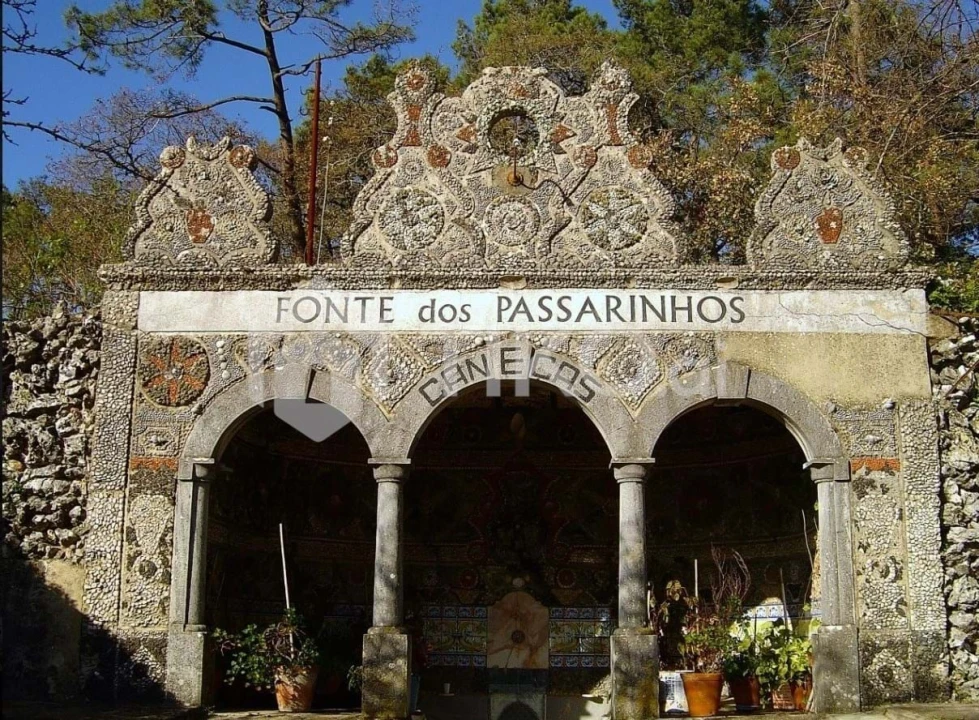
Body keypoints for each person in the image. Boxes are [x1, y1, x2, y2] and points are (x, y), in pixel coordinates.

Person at [409, 614, 431, 714]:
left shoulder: (417, 641)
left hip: (415, 669)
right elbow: (421, 655)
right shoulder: (417, 641)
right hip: (414, 670)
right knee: (413, 694)